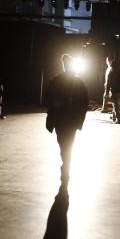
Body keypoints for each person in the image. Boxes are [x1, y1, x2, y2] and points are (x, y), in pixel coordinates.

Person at [44, 54, 90, 186]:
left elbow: (84, 102)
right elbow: (48, 97)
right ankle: (66, 163)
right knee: (64, 144)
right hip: (64, 119)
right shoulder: (60, 81)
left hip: (67, 119)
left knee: (66, 144)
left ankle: (66, 165)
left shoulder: (74, 82)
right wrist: (55, 103)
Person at [104, 57, 120, 124]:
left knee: (115, 106)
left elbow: (108, 84)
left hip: (114, 92)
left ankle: (118, 119)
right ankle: (114, 117)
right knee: (117, 106)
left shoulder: (111, 74)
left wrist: (106, 92)